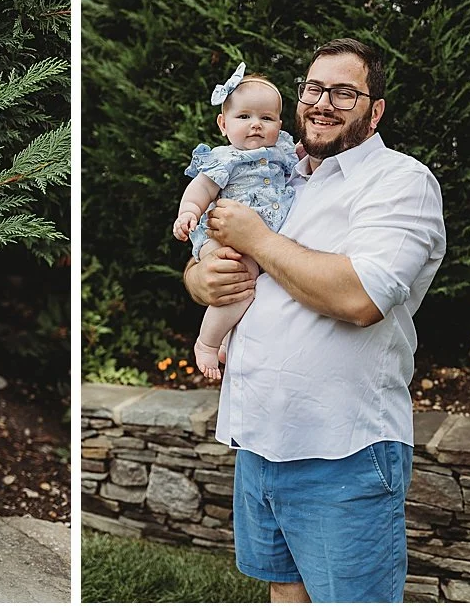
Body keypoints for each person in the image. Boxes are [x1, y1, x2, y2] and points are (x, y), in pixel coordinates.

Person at [185, 38, 445, 603]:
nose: (323, 103)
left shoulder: (401, 182)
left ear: (374, 110)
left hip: (343, 448)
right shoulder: (277, 170)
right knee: (285, 591)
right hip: (260, 438)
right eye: (313, 88)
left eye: (344, 92)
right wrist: (199, 277)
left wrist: (258, 238)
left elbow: (360, 298)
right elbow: (218, 253)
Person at [172, 63, 298, 381]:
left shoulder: (282, 152)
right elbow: (201, 189)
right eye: (244, 117)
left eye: (266, 118)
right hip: (225, 238)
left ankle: (228, 337)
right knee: (241, 282)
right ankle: (207, 342)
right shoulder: (226, 158)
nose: (256, 125)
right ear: (223, 124)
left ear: (279, 125)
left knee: (245, 282)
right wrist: (188, 212)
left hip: (255, 237)